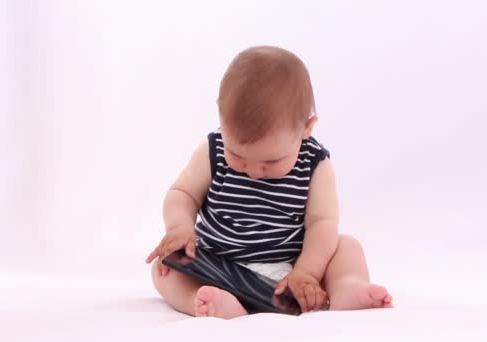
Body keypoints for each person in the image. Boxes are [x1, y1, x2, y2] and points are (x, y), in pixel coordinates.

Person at [145, 46, 392, 319]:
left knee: (346, 246)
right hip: (219, 265)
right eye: (237, 156)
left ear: (306, 128)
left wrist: (308, 272)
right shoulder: (212, 150)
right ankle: (206, 301)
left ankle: (346, 287)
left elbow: (322, 223)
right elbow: (183, 193)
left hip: (290, 272)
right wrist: (180, 228)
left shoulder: (315, 164)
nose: (252, 171)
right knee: (163, 268)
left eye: (270, 162)